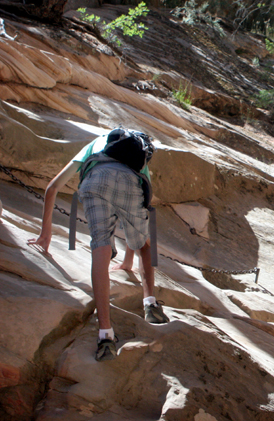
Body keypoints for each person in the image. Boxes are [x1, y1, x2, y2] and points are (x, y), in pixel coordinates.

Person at [28, 130, 169, 362]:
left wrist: (45, 233)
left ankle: (105, 336)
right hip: (129, 184)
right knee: (145, 243)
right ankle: (150, 305)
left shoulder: (96, 143)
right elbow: (144, 203)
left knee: (100, 250)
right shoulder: (138, 153)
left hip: (94, 181)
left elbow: (52, 187)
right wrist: (128, 259)